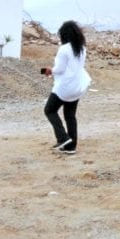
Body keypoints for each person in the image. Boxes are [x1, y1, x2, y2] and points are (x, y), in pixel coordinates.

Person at [43, 20, 90, 155]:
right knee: (70, 115)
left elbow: (60, 69)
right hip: (77, 86)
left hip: (65, 87)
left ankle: (63, 138)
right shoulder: (82, 48)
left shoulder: (63, 49)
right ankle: (71, 146)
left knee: (49, 110)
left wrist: (49, 70)